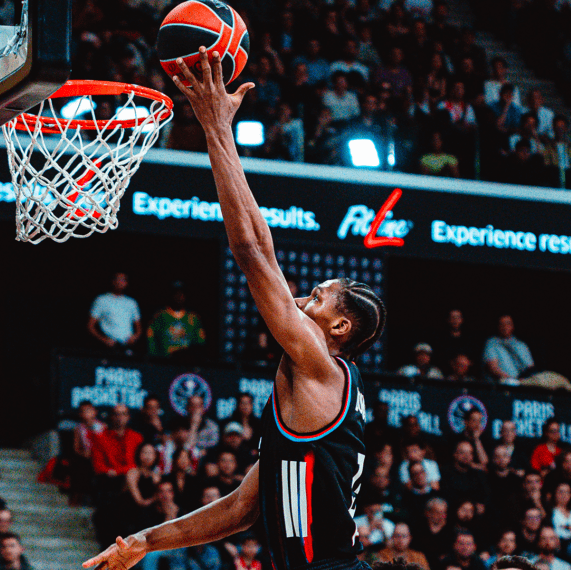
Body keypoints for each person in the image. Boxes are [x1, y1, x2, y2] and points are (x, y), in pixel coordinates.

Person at [85, 48, 385, 570]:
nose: (297, 299)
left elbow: (251, 252)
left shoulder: (320, 365)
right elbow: (240, 510)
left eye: (315, 298)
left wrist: (216, 128)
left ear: (339, 327)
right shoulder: (313, 394)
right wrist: (145, 541)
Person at [146, 283, 207, 360]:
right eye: (176, 293)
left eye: (181, 294)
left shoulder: (193, 318)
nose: (179, 296)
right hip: (165, 361)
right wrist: (154, 359)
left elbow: (200, 342)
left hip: (186, 362)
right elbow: (151, 339)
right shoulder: (160, 316)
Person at [89, 271, 142, 355]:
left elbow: (138, 327)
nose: (120, 282)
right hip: (108, 347)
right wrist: (103, 340)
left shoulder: (132, 302)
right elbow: (90, 326)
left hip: (127, 347)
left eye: (123, 280)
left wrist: (135, 337)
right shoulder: (102, 300)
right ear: (113, 281)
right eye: (118, 279)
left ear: (126, 283)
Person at [483, 315, 535, 384]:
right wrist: (512, 379)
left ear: (513, 326)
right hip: (505, 383)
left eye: (508, 324)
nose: (505, 327)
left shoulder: (521, 345)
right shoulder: (492, 343)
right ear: (498, 326)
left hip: (525, 382)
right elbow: (493, 368)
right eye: (502, 324)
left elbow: (530, 367)